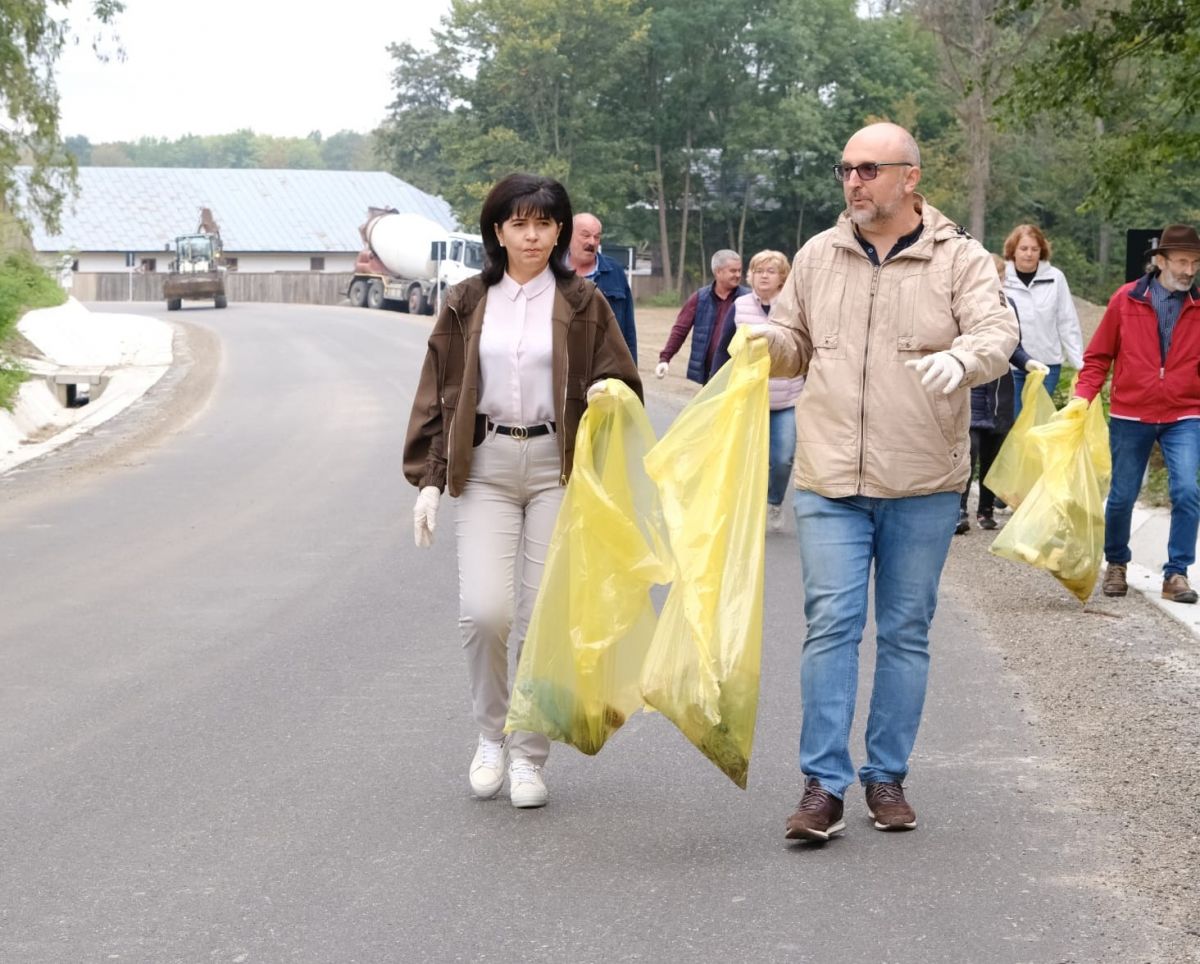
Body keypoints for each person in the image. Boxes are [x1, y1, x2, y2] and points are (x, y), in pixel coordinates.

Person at [747, 122, 1017, 841]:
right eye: (845, 168)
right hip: (830, 479)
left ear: (909, 177)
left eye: (869, 169)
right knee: (831, 626)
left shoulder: (959, 258)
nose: (853, 181)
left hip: (923, 481)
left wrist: (964, 359)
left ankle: (886, 775)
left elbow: (997, 334)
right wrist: (767, 343)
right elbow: (795, 342)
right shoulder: (818, 254)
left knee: (904, 632)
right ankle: (822, 786)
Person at [403, 173, 642, 809]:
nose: (532, 236)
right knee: (485, 613)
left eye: (544, 223)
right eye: (519, 224)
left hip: (557, 470)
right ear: (498, 231)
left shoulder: (584, 301)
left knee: (542, 620)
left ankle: (529, 755)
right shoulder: (466, 300)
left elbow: (624, 381)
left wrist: (607, 395)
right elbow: (439, 394)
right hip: (485, 465)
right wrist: (429, 481)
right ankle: (490, 736)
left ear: (560, 230)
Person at [1074, 223, 1200, 605]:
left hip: (1184, 412)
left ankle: (1176, 572)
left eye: (1194, 263)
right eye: (1181, 261)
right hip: (1131, 413)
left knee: (1187, 490)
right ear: (1160, 261)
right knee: (1122, 495)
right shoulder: (1126, 300)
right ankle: (1116, 563)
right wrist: (1082, 398)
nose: (1189, 271)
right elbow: (1099, 356)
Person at [712, 249, 805, 531]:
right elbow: (724, 350)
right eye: (758, 271)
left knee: (782, 458)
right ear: (750, 276)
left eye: (771, 271)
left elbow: (805, 348)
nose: (764, 276)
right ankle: (747, 508)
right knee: (746, 458)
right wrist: (715, 390)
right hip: (749, 397)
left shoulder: (793, 307)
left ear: (783, 278)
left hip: (786, 399)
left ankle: (774, 501)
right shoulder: (739, 306)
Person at [956, 254, 1048, 534]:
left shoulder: (1010, 306)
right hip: (972, 389)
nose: (997, 282)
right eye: (991, 277)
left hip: (1000, 392)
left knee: (993, 454)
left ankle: (985, 509)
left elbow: (1013, 346)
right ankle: (959, 509)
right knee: (968, 452)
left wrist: (1028, 363)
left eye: (1001, 277)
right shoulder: (963, 303)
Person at [1001, 223, 1084, 416]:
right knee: (1014, 420)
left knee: (1038, 419)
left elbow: (1067, 321)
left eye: (1034, 249)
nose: (1029, 254)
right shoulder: (1001, 277)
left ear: (1042, 251)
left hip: (1046, 364)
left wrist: (1080, 364)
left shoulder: (1056, 278)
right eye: (1023, 248)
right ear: (1013, 250)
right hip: (1011, 366)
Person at [654, 250, 749, 385]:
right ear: (718, 272)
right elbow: (680, 330)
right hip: (710, 373)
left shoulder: (748, 299)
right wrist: (665, 358)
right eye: (733, 271)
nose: (738, 275)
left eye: (739, 270)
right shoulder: (699, 298)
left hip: (740, 372)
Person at [569, 212, 638, 361]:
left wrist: (630, 370)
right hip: (563, 363)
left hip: (605, 364)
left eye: (597, 237)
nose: (592, 242)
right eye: (585, 235)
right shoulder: (552, 271)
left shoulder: (615, 272)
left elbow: (628, 330)